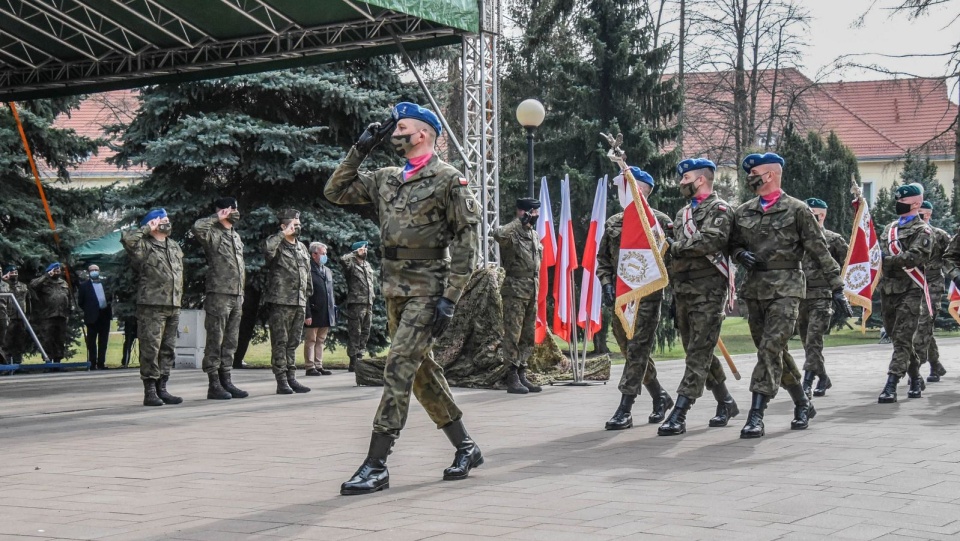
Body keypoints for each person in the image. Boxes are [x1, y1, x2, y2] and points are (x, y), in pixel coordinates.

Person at [326, 101, 483, 495]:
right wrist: (359, 149)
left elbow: (467, 243)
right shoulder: (384, 178)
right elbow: (335, 191)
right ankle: (466, 446)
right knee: (421, 371)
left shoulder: (449, 180)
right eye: (394, 129)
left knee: (398, 367)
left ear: (424, 134)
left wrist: (451, 297)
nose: (395, 134)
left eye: (403, 128)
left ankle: (376, 464)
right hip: (394, 286)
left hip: (430, 286)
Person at [730, 153, 844, 438]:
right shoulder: (743, 211)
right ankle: (802, 403)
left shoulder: (798, 210)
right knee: (773, 351)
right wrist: (739, 254)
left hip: (787, 289)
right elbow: (732, 245)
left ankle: (756, 414)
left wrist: (838, 287)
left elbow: (820, 250)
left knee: (769, 349)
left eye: (753, 172)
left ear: (769, 175)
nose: (749, 177)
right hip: (755, 289)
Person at [657, 158, 738, 436]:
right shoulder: (682, 214)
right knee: (698, 350)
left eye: (685, 178)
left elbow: (710, 241)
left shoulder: (721, 209)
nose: (681, 183)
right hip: (683, 291)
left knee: (697, 353)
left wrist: (674, 246)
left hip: (709, 291)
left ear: (700, 179)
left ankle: (680, 412)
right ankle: (726, 401)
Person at [597, 167, 674, 430]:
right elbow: (603, 260)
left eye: (625, 187)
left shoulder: (659, 221)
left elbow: (671, 261)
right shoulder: (614, 222)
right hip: (621, 297)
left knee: (638, 349)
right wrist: (607, 284)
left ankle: (625, 408)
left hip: (649, 296)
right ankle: (660, 396)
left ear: (640, 190)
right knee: (629, 350)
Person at [877, 184, 934, 403]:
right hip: (889, 290)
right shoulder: (890, 228)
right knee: (896, 336)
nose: (899, 204)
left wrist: (886, 260)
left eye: (904, 201)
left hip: (911, 289)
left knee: (902, 338)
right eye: (898, 200)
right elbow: (878, 253)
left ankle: (891, 383)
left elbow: (914, 258)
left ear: (917, 204)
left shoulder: (923, 230)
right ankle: (915, 376)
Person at [121, 208, 184, 407]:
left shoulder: (173, 246)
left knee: (168, 349)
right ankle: (149, 390)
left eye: (167, 219)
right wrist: (146, 228)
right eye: (162, 220)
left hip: (173, 304)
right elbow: (128, 241)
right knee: (151, 347)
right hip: (152, 304)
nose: (167, 222)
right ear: (152, 223)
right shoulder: (144, 245)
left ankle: (162, 388)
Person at [192, 197, 248, 400]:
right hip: (219, 294)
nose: (236, 212)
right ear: (224, 210)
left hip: (236, 294)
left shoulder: (235, 235)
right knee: (216, 339)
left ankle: (226, 379)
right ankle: (213, 383)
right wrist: (216, 217)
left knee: (231, 340)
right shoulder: (212, 233)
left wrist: (241, 292)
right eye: (233, 208)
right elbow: (197, 228)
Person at [798, 198, 850, 398]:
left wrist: (840, 290)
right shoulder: (797, 239)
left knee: (813, 340)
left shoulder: (833, 239)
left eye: (816, 214)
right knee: (806, 342)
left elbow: (848, 265)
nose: (812, 217)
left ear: (824, 215)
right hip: (800, 296)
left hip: (822, 296)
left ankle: (807, 384)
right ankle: (823, 377)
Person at [493, 197, 543, 395]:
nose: (536, 216)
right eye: (533, 212)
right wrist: (518, 221)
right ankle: (511, 375)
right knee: (513, 334)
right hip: (515, 289)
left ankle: (522, 370)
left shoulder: (533, 235)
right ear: (524, 212)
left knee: (527, 334)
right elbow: (497, 233)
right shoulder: (511, 233)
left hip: (532, 288)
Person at [262, 208, 312, 395]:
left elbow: (307, 276)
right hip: (281, 301)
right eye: (293, 225)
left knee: (293, 343)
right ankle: (281, 380)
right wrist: (283, 234)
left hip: (299, 302)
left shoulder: (302, 247)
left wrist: (307, 300)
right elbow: (267, 250)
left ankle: (291, 377)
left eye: (298, 224)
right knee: (280, 342)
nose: (297, 227)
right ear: (284, 226)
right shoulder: (277, 244)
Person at [916, 201, 950, 382]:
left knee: (923, 324)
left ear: (928, 214)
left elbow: (952, 258)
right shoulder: (909, 233)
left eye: (921, 214)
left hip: (933, 284)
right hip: (914, 284)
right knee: (923, 327)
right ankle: (935, 365)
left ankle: (915, 367)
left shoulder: (940, 235)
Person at [342, 240, 375, 373]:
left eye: (365, 249)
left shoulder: (367, 264)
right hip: (356, 303)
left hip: (368, 302)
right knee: (355, 332)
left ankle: (360, 357)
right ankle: (353, 360)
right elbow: (343, 260)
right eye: (362, 249)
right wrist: (354, 253)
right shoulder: (351, 264)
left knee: (366, 332)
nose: (365, 251)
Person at [29, 262, 71, 364]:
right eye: (55, 271)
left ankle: (58, 362)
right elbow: (32, 286)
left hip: (61, 315)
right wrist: (47, 276)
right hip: (47, 315)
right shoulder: (43, 282)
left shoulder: (63, 283)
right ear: (49, 271)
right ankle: (48, 361)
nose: (57, 272)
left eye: (58, 271)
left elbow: (68, 298)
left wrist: (68, 312)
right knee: (47, 339)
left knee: (60, 339)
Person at [304, 241, 335, 376]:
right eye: (323, 253)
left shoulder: (327, 270)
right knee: (311, 340)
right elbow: (305, 293)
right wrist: (307, 314)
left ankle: (319, 365)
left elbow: (330, 292)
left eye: (325, 254)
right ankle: (310, 366)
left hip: (326, 311)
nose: (325, 256)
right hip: (313, 311)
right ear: (314, 254)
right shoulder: (308, 269)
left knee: (321, 340)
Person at [77, 264, 113, 370]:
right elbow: (81, 302)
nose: (94, 271)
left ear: (99, 271)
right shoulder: (84, 286)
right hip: (92, 317)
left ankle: (101, 363)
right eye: (92, 270)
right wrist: (89, 310)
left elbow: (110, 297)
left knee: (103, 341)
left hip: (104, 315)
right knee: (91, 341)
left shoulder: (105, 284)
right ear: (89, 272)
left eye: (96, 270)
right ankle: (92, 363)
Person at [2, 265, 31, 364]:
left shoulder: (23, 286)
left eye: (16, 272)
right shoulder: (4, 285)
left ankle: (18, 364)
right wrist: (4, 280)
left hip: (21, 318)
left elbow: (28, 301)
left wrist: (28, 316)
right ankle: (6, 365)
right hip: (9, 317)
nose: (14, 274)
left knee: (19, 343)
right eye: (12, 272)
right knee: (6, 343)